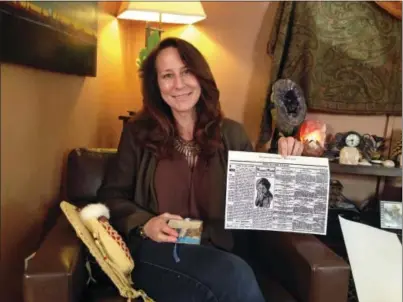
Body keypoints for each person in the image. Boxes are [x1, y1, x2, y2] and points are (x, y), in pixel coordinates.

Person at [97, 37, 303, 302]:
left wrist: (287, 164)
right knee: (233, 275)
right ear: (156, 85)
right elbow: (111, 196)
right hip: (160, 251)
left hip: (219, 250)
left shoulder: (232, 134)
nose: (179, 84)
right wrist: (145, 224)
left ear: (201, 77)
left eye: (186, 72)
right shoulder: (138, 134)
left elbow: (259, 202)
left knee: (229, 274)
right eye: (167, 76)